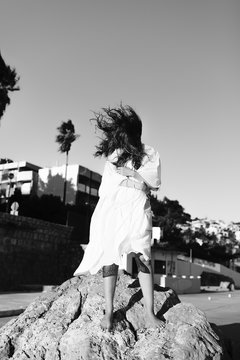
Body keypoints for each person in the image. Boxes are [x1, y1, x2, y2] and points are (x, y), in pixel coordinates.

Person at [74, 104, 163, 331]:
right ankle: (109, 312)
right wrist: (136, 182)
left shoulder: (150, 153)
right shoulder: (114, 155)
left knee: (143, 256)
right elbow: (108, 187)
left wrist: (133, 176)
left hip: (137, 209)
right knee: (110, 258)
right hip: (113, 210)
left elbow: (153, 183)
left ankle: (150, 313)